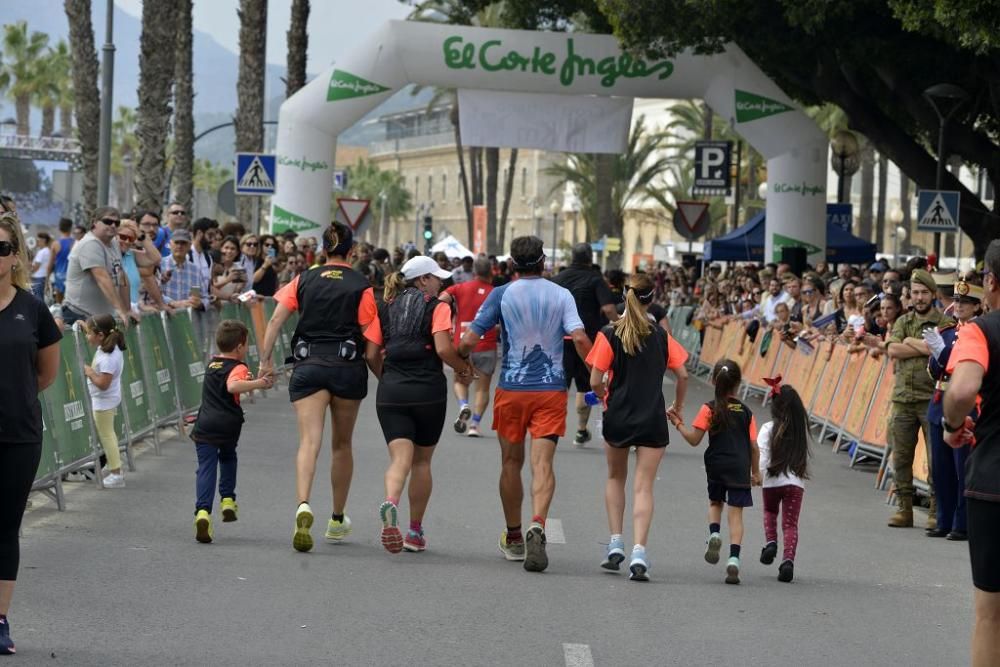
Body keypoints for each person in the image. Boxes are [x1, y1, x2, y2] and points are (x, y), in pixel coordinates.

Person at [459, 236, 591, 573]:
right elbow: (578, 337)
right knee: (542, 464)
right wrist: (598, 374)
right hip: (550, 391)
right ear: (544, 261)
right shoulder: (561, 295)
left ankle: (515, 537)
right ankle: (537, 523)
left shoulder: (500, 294)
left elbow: (471, 339)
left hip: (512, 390)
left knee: (510, 463)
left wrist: (458, 360)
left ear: (514, 264)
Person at [259, 223, 377, 552]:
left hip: (308, 365)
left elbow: (275, 320)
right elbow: (370, 338)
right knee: (341, 445)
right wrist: (382, 373)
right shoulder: (362, 285)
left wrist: (265, 361)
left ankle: (303, 505)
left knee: (309, 441)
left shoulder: (304, 279)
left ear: (322, 250)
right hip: (346, 367)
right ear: (352, 252)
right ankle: (337, 519)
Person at [364, 256, 474, 553]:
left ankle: (391, 501)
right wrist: (463, 369)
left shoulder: (384, 306)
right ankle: (414, 532)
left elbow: (372, 354)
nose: (441, 281)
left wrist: (385, 378)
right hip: (428, 392)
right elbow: (442, 348)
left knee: (399, 458)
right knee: (422, 462)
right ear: (423, 280)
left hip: (392, 392)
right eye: (436, 277)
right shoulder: (437, 306)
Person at [586, 273, 687, 582]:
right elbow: (682, 375)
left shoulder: (608, 333)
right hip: (652, 416)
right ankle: (639, 550)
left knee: (616, 477)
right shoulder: (660, 336)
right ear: (651, 299)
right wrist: (677, 407)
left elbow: (593, 380)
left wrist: (606, 398)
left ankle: (616, 541)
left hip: (618, 414)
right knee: (644, 485)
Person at [0, 212, 62, 655]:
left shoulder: (32, 308)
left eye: (2, 248)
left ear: (15, 256)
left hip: (17, 435)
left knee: (4, 529)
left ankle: (0, 621)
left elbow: (45, 374)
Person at [942, 240, 1000, 667]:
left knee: (990, 614)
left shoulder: (980, 329)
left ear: (991, 281)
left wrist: (951, 424)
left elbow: (961, 389)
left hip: (994, 483)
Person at [669, 359, 761, 585]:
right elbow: (754, 446)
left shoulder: (708, 408)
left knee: (715, 502)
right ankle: (733, 560)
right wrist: (756, 472)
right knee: (736, 513)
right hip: (740, 467)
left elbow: (694, 440)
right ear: (737, 384)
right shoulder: (747, 412)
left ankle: (714, 534)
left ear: (713, 381)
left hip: (716, 464)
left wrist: (678, 423)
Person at [190, 319, 274, 544]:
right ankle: (227, 499)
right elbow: (233, 386)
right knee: (227, 458)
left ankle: (202, 512)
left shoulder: (212, 364)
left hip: (205, 424)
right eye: (246, 345)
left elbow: (229, 382)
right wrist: (259, 383)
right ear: (239, 346)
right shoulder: (239, 366)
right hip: (228, 424)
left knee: (206, 467)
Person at [884, 269, 950, 528]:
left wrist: (910, 343)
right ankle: (904, 509)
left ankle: (935, 510)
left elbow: (941, 351)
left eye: (924, 293)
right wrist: (920, 346)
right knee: (901, 457)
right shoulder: (903, 321)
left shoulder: (943, 323)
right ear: (909, 296)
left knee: (936, 459)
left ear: (933, 294)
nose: (919, 297)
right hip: (902, 399)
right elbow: (892, 350)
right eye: (915, 293)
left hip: (931, 399)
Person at [923, 278, 981, 540]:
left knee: (962, 468)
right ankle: (943, 520)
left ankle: (962, 523)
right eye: (956, 300)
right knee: (941, 468)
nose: (958, 305)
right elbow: (934, 371)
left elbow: (961, 367)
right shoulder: (946, 331)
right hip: (940, 401)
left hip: (965, 405)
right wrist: (936, 353)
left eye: (965, 302)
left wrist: (943, 354)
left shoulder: (978, 333)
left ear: (977, 306)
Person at [550, 243, 618, 446]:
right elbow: (607, 308)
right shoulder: (595, 279)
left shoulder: (558, 279)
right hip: (587, 341)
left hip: (560, 340)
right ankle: (580, 430)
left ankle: (552, 429)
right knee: (585, 385)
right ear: (590, 259)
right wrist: (619, 324)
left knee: (559, 387)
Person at [757, 381, 811, 583]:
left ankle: (771, 542)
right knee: (790, 525)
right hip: (795, 483)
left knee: (770, 512)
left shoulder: (767, 429)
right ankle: (787, 560)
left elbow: (762, 456)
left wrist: (757, 475)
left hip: (771, 482)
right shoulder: (799, 432)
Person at [445, 257, 498, 437]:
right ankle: (474, 425)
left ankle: (463, 405)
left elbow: (442, 299)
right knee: (482, 388)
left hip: (462, 344)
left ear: (474, 271)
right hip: (486, 344)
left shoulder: (459, 288)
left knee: (460, 380)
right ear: (491, 271)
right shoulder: (495, 292)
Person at [62, 207, 132, 328]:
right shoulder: (90, 243)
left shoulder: (114, 243)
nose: (113, 225)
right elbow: (102, 278)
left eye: (117, 222)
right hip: (79, 315)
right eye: (108, 221)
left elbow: (121, 276)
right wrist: (120, 310)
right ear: (95, 222)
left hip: (100, 318)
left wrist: (127, 309)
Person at [81, 314, 127, 488]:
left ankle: (116, 473)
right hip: (107, 400)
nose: (87, 337)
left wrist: (90, 372)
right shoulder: (109, 348)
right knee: (109, 435)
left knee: (107, 436)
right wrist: (82, 325)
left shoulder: (109, 357)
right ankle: (114, 467)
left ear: (100, 335)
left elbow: (103, 384)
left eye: (88, 333)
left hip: (104, 401)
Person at [160, 229, 204, 310]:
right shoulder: (159, 265)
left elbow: (199, 295)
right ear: (170, 244)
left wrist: (197, 302)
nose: (179, 246)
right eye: (176, 242)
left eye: (183, 243)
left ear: (190, 246)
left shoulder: (195, 270)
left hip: (187, 318)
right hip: (164, 317)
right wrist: (173, 303)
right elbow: (151, 294)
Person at [211, 237, 248, 304]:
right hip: (215, 305)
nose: (229, 251)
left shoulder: (239, 269)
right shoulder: (214, 266)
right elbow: (210, 288)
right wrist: (228, 280)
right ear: (221, 249)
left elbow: (235, 294)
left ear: (237, 252)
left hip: (230, 307)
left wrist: (241, 285)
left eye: (232, 249)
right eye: (226, 248)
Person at [51, 217, 75, 303]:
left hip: (59, 276)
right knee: (71, 303)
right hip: (71, 276)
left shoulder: (55, 244)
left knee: (59, 304)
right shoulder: (75, 243)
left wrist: (46, 280)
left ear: (59, 228)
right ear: (71, 228)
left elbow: (50, 264)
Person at [29, 232, 51, 301]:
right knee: (39, 298)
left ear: (43, 240)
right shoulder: (47, 250)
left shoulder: (42, 252)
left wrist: (29, 273)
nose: (37, 242)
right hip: (42, 278)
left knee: (38, 299)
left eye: (38, 240)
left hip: (38, 278)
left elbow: (36, 266)